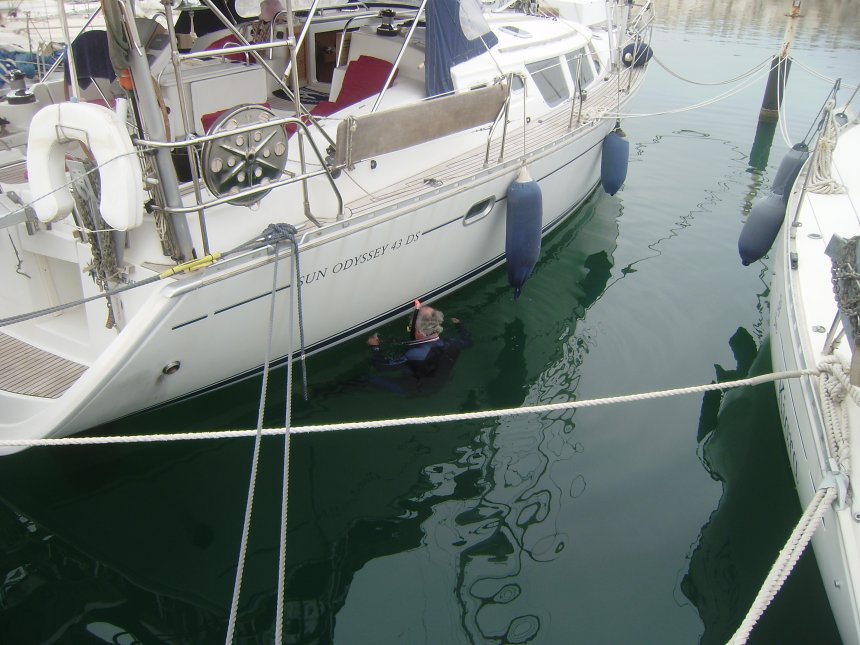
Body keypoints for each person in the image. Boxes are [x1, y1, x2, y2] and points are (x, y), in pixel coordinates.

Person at [366, 300, 472, 390]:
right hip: (441, 382)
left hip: (417, 388)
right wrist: (459, 325)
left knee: (366, 380)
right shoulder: (452, 343)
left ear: (419, 332)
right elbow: (468, 342)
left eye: (410, 327)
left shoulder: (414, 354)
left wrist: (374, 347)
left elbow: (382, 367)